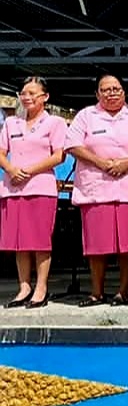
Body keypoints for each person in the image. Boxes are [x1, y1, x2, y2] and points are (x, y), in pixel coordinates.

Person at [65, 74, 128, 307]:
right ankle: (97, 292)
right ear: (97, 94)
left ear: (124, 92)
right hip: (95, 189)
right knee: (96, 246)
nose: (111, 93)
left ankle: (124, 291)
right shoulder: (85, 116)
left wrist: (127, 162)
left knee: (127, 246)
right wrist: (100, 162)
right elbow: (72, 145)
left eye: (116, 89)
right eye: (106, 90)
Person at [0, 76, 67, 309]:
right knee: (19, 242)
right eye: (23, 93)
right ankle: (24, 286)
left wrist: (29, 170)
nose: (27, 97)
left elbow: (59, 156)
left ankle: (41, 287)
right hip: (12, 188)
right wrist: (11, 169)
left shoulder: (55, 123)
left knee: (39, 240)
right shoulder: (11, 123)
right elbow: (1, 152)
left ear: (45, 97)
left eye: (32, 93)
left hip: (41, 188)